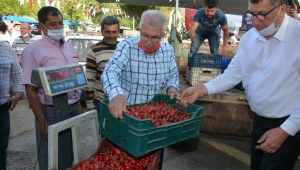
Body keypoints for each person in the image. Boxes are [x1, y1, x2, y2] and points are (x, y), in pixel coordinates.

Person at [177, 0, 300, 169]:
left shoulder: (297, 37)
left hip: (289, 123)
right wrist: (201, 89)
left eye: (262, 14)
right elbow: (233, 74)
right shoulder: (250, 37)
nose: (255, 22)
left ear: (282, 10)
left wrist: (285, 130)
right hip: (259, 120)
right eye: (251, 14)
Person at [101, 10, 180, 170]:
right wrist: (116, 94)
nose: (149, 41)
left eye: (155, 37)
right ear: (139, 30)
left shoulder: (167, 51)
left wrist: (172, 87)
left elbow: (173, 75)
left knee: (152, 163)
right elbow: (110, 71)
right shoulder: (126, 47)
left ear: (163, 35)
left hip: (153, 124)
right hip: (125, 120)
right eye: (145, 35)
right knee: (120, 163)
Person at [21, 6, 81, 170]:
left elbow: (76, 80)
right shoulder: (32, 51)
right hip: (51, 111)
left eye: (60, 23)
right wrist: (43, 122)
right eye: (53, 24)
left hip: (73, 108)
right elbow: (30, 90)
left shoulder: (68, 46)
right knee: (51, 158)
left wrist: (80, 108)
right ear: (42, 27)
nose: (59, 28)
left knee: (70, 154)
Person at [0, 15, 24, 170]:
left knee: (1, 149)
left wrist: (19, 93)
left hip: (2, 108)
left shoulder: (6, 49)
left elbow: (18, 75)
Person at [85, 16, 120, 114]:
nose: (111, 35)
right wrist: (90, 105)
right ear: (102, 32)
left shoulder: (124, 49)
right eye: (107, 32)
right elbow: (89, 79)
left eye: (114, 32)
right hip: (101, 101)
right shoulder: (94, 50)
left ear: (118, 32)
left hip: (121, 99)